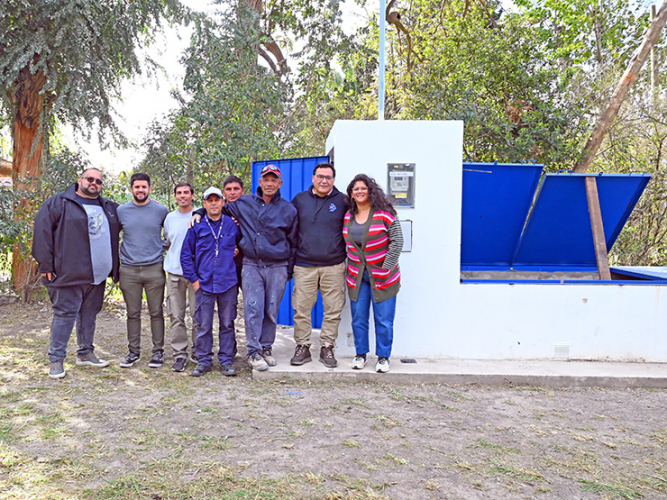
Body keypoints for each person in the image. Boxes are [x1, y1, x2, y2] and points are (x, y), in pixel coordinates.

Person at [192, 164, 297, 371]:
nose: (269, 183)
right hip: (251, 264)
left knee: (271, 309)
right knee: (253, 308)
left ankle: (266, 347)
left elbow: (294, 242)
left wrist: (289, 270)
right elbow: (216, 207)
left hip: (277, 265)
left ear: (279, 183)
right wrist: (198, 211)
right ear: (260, 182)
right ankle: (253, 351)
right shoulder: (244, 203)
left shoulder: (288, 209)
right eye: (266, 179)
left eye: (273, 180)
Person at [32, 168, 120, 379]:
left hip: (97, 275)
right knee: (64, 315)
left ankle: (86, 353)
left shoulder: (107, 206)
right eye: (90, 179)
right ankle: (56, 359)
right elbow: (42, 232)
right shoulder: (60, 202)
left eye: (98, 181)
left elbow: (135, 213)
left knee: (89, 314)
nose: (94, 183)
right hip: (67, 273)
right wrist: (46, 265)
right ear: (80, 180)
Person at [343, 174, 403, 373]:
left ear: (370, 191)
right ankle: (360, 354)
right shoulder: (347, 216)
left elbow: (397, 242)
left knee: (383, 320)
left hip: (384, 276)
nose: (359, 192)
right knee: (359, 318)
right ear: (351, 194)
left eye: (363, 188)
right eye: (355, 189)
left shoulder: (384, 214)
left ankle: (383, 357)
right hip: (357, 277)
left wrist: (386, 268)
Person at [290, 162, 347, 368]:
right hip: (305, 265)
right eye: (320, 176)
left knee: (333, 309)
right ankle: (303, 346)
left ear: (333, 179)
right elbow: (290, 229)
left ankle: (327, 347)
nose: (324, 181)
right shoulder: (299, 200)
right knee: (301, 308)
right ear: (313, 178)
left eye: (328, 177)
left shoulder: (343, 201)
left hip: (334, 265)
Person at [181, 187, 240, 377]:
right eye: (210, 200)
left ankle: (226, 360)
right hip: (204, 284)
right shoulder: (196, 226)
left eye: (217, 200)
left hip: (228, 283)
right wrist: (194, 280)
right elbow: (185, 255)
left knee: (227, 323)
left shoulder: (232, 225)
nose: (214, 203)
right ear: (204, 203)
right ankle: (204, 360)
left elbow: (242, 246)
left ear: (223, 202)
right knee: (203, 324)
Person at [117, 173, 169, 369]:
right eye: (137, 187)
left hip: (154, 268)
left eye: (144, 187)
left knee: (156, 312)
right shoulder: (121, 211)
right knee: (133, 313)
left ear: (150, 189)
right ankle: (133, 352)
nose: (140, 190)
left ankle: (158, 352)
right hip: (129, 270)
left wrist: (162, 246)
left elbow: (173, 229)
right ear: (131, 189)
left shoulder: (160, 210)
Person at [163, 183, 198, 372]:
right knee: (176, 315)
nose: (183, 196)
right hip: (174, 274)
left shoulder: (200, 216)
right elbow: (168, 241)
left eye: (186, 193)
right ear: (175, 196)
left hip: (195, 275)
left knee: (198, 315)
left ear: (192, 196)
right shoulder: (170, 218)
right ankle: (179, 354)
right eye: (179, 193)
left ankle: (199, 351)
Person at [222, 175, 245, 287]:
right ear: (224, 193)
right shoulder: (218, 212)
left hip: (247, 263)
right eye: (228, 189)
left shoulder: (251, 210)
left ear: (242, 191)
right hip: (225, 264)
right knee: (228, 302)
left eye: (236, 189)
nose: (232, 192)